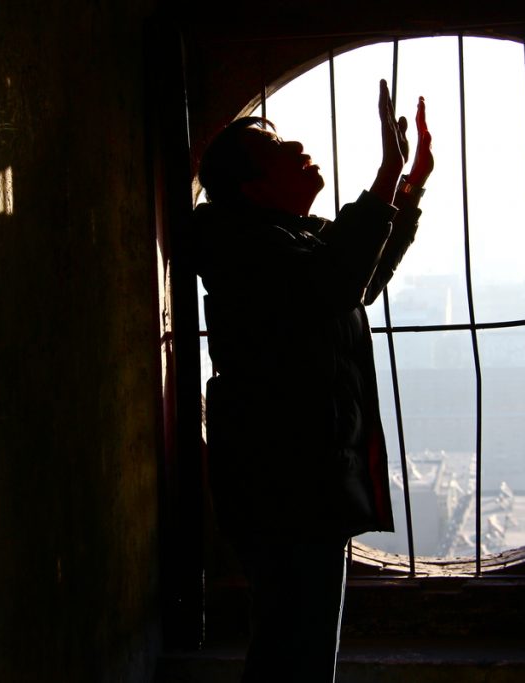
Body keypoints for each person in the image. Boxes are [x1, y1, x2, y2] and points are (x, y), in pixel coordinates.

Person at [194, 79, 433, 682]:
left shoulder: (284, 239)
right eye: (273, 145)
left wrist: (406, 188)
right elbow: (337, 278)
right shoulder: (247, 250)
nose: (295, 143)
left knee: (296, 648)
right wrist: (386, 178)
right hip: (284, 485)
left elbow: (357, 275)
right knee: (292, 653)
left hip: (298, 483)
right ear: (254, 186)